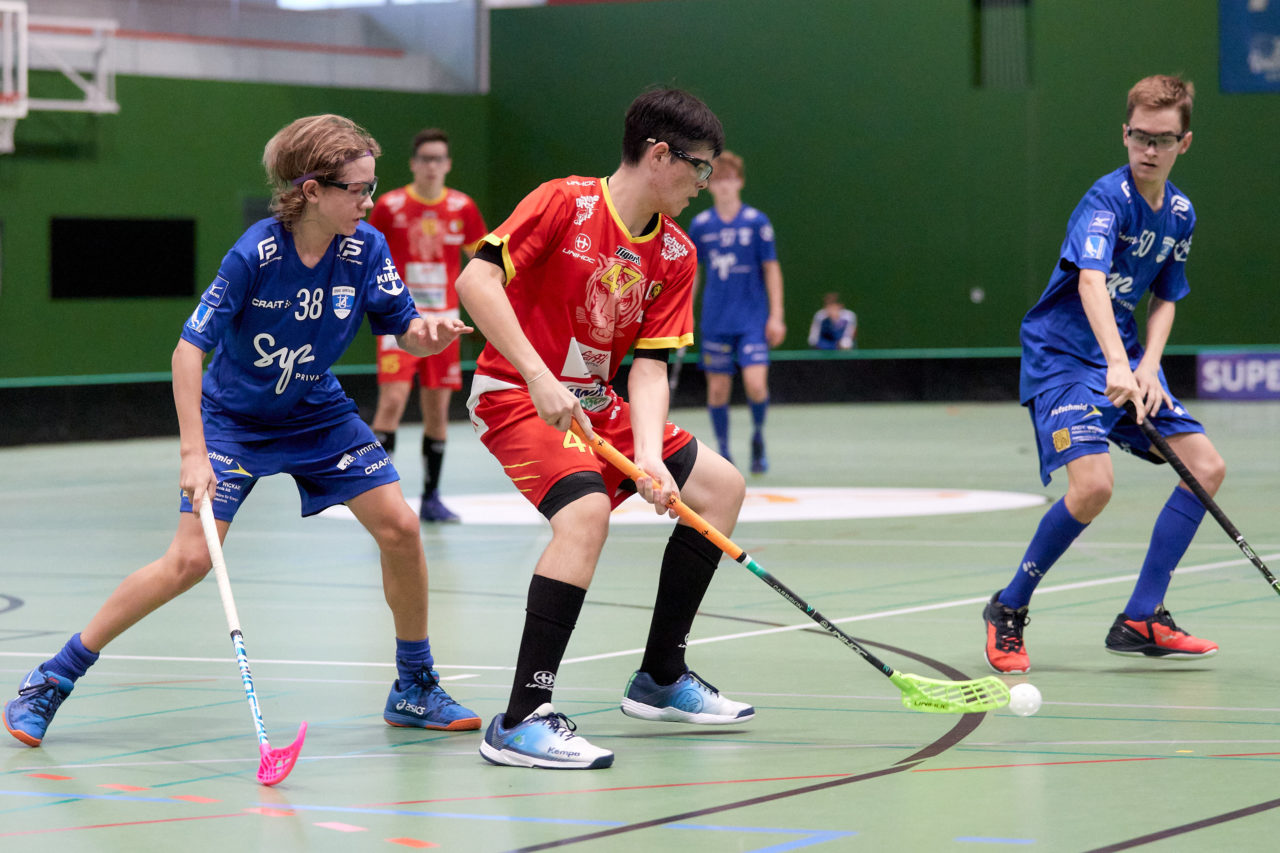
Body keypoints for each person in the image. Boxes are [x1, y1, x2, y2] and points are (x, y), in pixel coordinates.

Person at [4, 115, 481, 749]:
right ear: (312, 189)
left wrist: (432, 333)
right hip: (235, 423)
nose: (368, 202)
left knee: (400, 527)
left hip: (318, 412)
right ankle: (52, 678)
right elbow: (186, 349)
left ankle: (415, 686)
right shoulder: (256, 252)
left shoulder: (365, 248)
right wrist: (194, 451)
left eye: (372, 187)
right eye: (357, 189)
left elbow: (405, 327)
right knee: (189, 561)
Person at [455, 88, 752, 770]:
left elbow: (649, 366)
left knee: (720, 488)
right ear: (658, 156)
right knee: (585, 513)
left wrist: (647, 456)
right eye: (699, 168)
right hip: (517, 395)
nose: (704, 185)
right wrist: (534, 372)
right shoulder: (565, 202)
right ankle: (523, 717)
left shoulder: (676, 252)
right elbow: (476, 281)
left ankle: (660, 677)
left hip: (600, 407)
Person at [982, 75, 1224, 674]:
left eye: (1163, 139)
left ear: (1183, 143)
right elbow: (1091, 280)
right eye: (1140, 136)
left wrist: (1145, 366)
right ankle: (1008, 608)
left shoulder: (1181, 213)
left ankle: (1143, 615)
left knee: (1206, 467)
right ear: (1125, 133)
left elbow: (1167, 297)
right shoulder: (1105, 200)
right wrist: (1116, 362)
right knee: (1093, 487)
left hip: (1125, 357)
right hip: (1063, 358)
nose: (1150, 149)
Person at [368, 128, 487, 523]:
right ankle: (377, 496)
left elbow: (482, 264)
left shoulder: (462, 207)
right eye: (426, 159)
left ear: (447, 164)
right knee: (393, 403)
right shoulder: (389, 206)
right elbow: (369, 256)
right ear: (413, 164)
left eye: (439, 159)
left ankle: (432, 498)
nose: (432, 166)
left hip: (445, 324)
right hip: (400, 323)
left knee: (437, 411)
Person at [686, 150, 785, 474]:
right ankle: (725, 451)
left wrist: (776, 315)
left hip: (752, 320)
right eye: (718, 179)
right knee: (717, 389)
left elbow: (771, 268)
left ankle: (757, 436)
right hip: (716, 321)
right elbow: (694, 274)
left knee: (756, 384)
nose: (725, 185)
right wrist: (684, 315)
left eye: (730, 179)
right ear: (710, 185)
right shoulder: (701, 226)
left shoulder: (757, 223)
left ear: (739, 182)